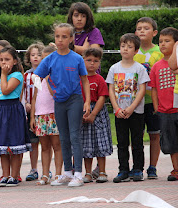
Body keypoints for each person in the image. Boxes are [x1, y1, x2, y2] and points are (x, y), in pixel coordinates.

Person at [35, 23, 90, 187]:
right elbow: (36, 77)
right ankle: (67, 173)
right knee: (64, 137)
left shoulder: (77, 58)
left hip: (75, 100)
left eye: (64, 36)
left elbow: (85, 80)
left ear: (71, 39)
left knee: (74, 135)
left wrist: (87, 101)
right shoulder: (49, 59)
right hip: (59, 102)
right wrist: (51, 90)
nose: (60, 40)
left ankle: (78, 174)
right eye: (57, 36)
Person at [0, 46, 32, 187]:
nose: (3, 63)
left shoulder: (16, 76)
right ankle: (5, 175)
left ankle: (14, 175)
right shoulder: (0, 77)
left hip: (12, 110)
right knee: (3, 146)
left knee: (14, 145)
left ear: (15, 61)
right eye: (1, 60)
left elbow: (5, 91)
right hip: (0, 110)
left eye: (7, 59)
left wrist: (3, 75)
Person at [106, 33, 150, 183]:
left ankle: (138, 169)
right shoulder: (114, 68)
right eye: (123, 46)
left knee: (137, 142)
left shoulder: (140, 69)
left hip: (136, 112)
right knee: (122, 142)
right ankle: (123, 170)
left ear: (136, 50)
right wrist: (116, 108)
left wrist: (131, 107)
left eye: (129, 47)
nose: (125, 49)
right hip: (119, 112)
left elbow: (142, 90)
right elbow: (111, 89)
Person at [134, 17, 164, 179]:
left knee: (154, 134)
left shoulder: (160, 52)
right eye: (139, 28)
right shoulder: (131, 51)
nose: (142, 31)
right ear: (135, 33)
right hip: (135, 102)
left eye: (146, 28)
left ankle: (153, 167)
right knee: (137, 136)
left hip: (153, 101)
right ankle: (137, 167)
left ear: (154, 32)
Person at [30, 44, 63, 185]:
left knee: (57, 145)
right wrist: (32, 116)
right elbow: (35, 97)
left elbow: (54, 93)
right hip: (40, 115)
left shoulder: (56, 76)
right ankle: (44, 174)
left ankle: (58, 174)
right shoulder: (37, 76)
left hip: (54, 114)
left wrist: (49, 77)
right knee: (44, 147)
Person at [149, 27, 178, 181]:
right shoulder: (156, 66)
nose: (163, 44)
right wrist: (156, 107)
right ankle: (176, 169)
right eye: (160, 41)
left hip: (177, 107)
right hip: (165, 111)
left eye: (167, 41)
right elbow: (153, 89)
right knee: (171, 142)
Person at [80, 48, 113, 183]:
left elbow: (102, 98)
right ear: (82, 61)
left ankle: (102, 171)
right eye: (89, 60)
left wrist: (93, 114)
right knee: (86, 144)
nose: (92, 63)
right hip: (82, 111)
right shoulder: (79, 78)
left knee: (100, 143)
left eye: (96, 61)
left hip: (98, 113)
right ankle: (87, 173)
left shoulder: (99, 79)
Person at [23, 42, 44, 181]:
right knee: (33, 142)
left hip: (43, 111)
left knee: (47, 143)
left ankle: (47, 170)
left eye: (38, 54)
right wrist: (26, 103)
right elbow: (22, 92)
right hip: (30, 112)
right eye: (33, 55)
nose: (35, 57)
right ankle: (34, 168)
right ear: (28, 58)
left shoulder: (46, 73)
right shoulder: (25, 75)